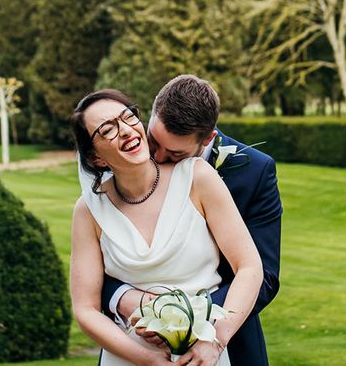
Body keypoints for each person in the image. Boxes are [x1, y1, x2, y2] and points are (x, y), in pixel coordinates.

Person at [70, 88, 263, 365]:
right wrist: (147, 358)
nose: (125, 130)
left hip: (204, 354)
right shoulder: (88, 210)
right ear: (96, 158)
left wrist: (216, 340)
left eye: (128, 117)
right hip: (129, 357)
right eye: (107, 130)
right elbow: (85, 309)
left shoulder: (197, 177)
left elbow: (250, 267)